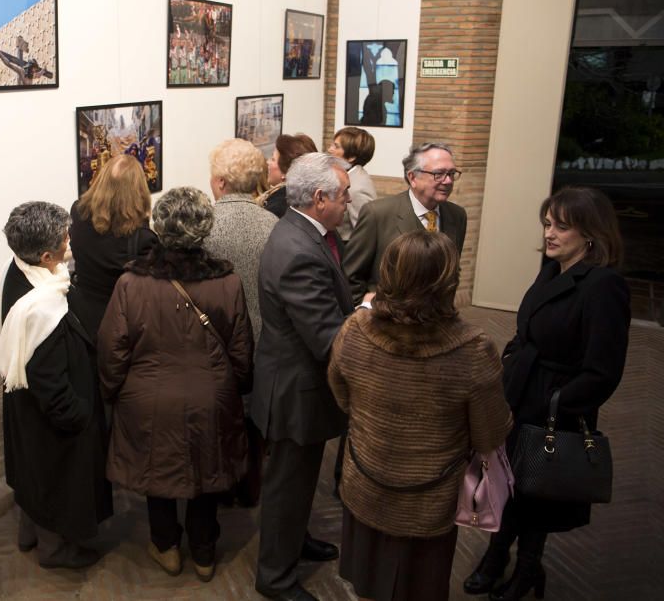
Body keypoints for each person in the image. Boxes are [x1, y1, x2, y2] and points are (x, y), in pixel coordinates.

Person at [464, 186, 630, 601]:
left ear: (589, 234)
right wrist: (513, 357)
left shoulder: (603, 285)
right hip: (521, 394)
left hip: (556, 405)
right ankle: (496, 555)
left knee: (539, 491)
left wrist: (557, 403)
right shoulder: (552, 269)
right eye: (547, 223)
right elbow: (529, 328)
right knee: (509, 483)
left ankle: (526, 570)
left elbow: (604, 371)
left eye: (562, 226)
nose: (549, 233)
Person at [328, 230, 513, 601]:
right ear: (448, 281)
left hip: (366, 481)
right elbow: (489, 435)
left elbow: (340, 394)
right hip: (427, 500)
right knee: (418, 587)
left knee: (367, 582)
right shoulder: (473, 350)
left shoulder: (353, 331)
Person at [98, 187, 253, 582]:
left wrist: (111, 391)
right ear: (204, 229)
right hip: (210, 394)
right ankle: (204, 552)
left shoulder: (131, 283)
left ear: (159, 226)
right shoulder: (228, 281)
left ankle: (166, 547)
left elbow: (113, 348)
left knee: (158, 474)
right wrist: (236, 387)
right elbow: (241, 346)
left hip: (147, 397)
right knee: (208, 475)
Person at [0, 201, 112, 569]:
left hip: (26, 408)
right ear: (44, 255)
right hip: (51, 417)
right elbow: (50, 381)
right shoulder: (39, 308)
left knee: (34, 477)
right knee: (54, 480)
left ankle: (30, 533)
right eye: (64, 239)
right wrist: (80, 416)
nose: (70, 243)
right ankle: (56, 551)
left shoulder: (16, 269)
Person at [252, 153, 352, 601]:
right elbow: (327, 336)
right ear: (319, 199)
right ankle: (275, 578)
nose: (348, 201)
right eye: (344, 194)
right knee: (285, 489)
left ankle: (296, 543)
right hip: (295, 391)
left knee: (298, 484)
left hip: (295, 383)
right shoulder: (298, 251)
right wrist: (367, 316)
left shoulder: (303, 232)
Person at [204, 138, 278, 506]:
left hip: (213, 344)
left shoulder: (205, 228)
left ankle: (219, 489)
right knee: (254, 427)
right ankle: (250, 490)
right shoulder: (275, 225)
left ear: (220, 183)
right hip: (264, 344)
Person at [344, 142, 467, 305]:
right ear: (413, 177)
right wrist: (365, 313)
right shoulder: (378, 214)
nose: (448, 181)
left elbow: (452, 271)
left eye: (452, 173)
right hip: (387, 320)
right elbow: (351, 274)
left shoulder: (457, 215)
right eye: (439, 174)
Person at [69, 154, 157, 348]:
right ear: (138, 190)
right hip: (120, 322)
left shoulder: (78, 212)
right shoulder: (142, 238)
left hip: (82, 313)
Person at [328, 127, 378, 244]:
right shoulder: (347, 174)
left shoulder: (357, 188)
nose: (329, 149)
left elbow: (365, 236)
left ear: (351, 157)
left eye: (336, 146)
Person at [258, 133, 319, 218]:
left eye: (273, 159)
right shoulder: (310, 199)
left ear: (286, 171)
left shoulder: (277, 207)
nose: (268, 162)